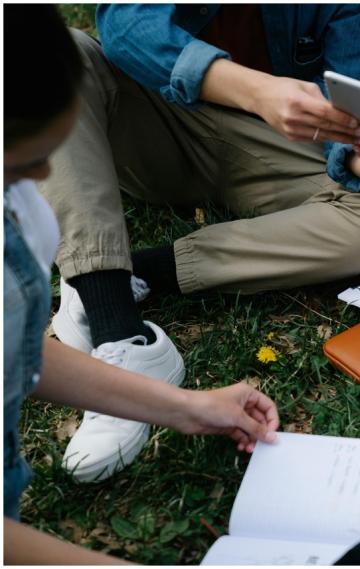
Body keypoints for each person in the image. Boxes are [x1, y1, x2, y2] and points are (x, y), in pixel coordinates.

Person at [40, 4, 360, 482]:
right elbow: (125, 28)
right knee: (48, 53)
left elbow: (356, 109)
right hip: (153, 121)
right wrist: (255, 90)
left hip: (274, 151)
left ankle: (137, 274)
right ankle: (119, 332)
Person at [4, 6, 280, 562]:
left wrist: (186, 407)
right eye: (25, 163)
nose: (39, 183)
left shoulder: (22, 213)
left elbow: (16, 353)